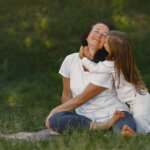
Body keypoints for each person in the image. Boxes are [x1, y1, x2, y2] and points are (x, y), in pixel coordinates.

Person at [45, 21, 136, 137]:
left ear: (108, 43)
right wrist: (62, 115)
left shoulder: (107, 65)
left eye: (104, 35)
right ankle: (102, 127)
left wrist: (54, 111)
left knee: (124, 128)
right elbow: (67, 94)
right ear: (87, 36)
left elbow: (83, 98)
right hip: (86, 119)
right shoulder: (70, 60)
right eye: (96, 31)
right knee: (56, 120)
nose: (99, 35)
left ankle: (113, 129)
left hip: (116, 114)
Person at [80, 30, 150, 134]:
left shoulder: (113, 64)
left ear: (112, 48)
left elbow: (95, 68)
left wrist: (83, 58)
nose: (103, 41)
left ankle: (131, 136)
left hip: (139, 102)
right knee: (141, 125)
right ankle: (129, 134)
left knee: (141, 130)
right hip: (140, 99)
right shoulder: (123, 61)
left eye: (106, 41)